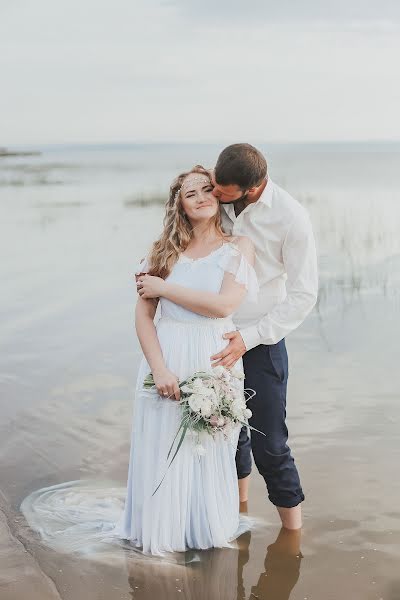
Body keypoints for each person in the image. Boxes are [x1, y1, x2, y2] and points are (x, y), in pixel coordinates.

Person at [150, 144, 318, 530]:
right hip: (209, 339)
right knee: (224, 433)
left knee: (270, 443)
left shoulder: (291, 218)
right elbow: (186, 228)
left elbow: (304, 294)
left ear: (252, 189)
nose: (213, 194)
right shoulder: (218, 191)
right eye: (212, 185)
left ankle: (292, 538)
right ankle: (237, 514)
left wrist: (251, 336)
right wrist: (156, 275)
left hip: (261, 339)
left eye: (221, 191)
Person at [114, 165, 259, 555]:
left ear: (220, 195)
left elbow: (224, 305)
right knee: (162, 447)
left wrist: (166, 288)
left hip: (214, 356)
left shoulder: (238, 247)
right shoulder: (162, 251)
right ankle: (163, 534)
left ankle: (206, 532)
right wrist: (159, 368)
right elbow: (143, 315)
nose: (200, 196)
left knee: (211, 446)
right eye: (189, 192)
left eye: (207, 189)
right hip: (167, 354)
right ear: (178, 204)